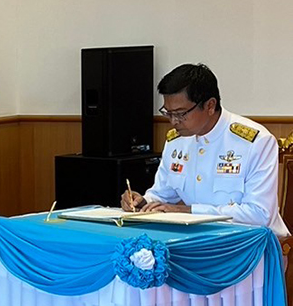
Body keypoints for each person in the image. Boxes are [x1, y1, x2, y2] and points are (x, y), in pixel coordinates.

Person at [121, 63, 289, 237]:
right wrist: (143, 202)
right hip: (195, 238)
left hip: (248, 242)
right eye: (168, 113)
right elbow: (162, 194)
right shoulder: (176, 141)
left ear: (210, 106)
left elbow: (259, 215)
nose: (173, 121)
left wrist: (190, 211)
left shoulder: (255, 141)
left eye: (180, 113)